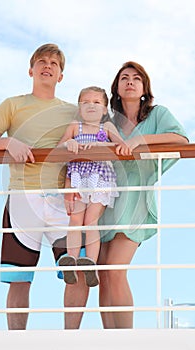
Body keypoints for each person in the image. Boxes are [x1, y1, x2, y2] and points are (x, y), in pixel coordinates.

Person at [64, 61, 188, 329]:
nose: (130, 82)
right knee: (105, 274)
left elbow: (180, 139)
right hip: (105, 198)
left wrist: (138, 142)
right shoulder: (106, 120)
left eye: (136, 78)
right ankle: (112, 339)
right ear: (116, 89)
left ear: (144, 87)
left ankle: (125, 340)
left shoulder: (157, 114)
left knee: (116, 270)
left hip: (135, 201)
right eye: (124, 78)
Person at [0, 43, 78, 330]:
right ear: (31, 70)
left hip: (63, 200)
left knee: (76, 272)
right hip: (22, 198)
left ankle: (72, 341)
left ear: (61, 75)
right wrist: (9, 142)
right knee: (19, 278)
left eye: (54, 63)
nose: (47, 65)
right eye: (42, 61)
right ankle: (16, 343)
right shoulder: (12, 105)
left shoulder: (73, 112)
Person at [57, 86, 127, 288]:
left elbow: (121, 147)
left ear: (105, 109)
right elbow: (58, 148)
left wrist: (101, 147)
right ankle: (70, 261)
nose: (91, 105)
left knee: (91, 220)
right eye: (86, 102)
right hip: (78, 177)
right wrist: (68, 143)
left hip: (100, 178)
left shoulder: (107, 129)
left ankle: (91, 264)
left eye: (96, 102)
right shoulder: (74, 127)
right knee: (75, 219)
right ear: (80, 108)